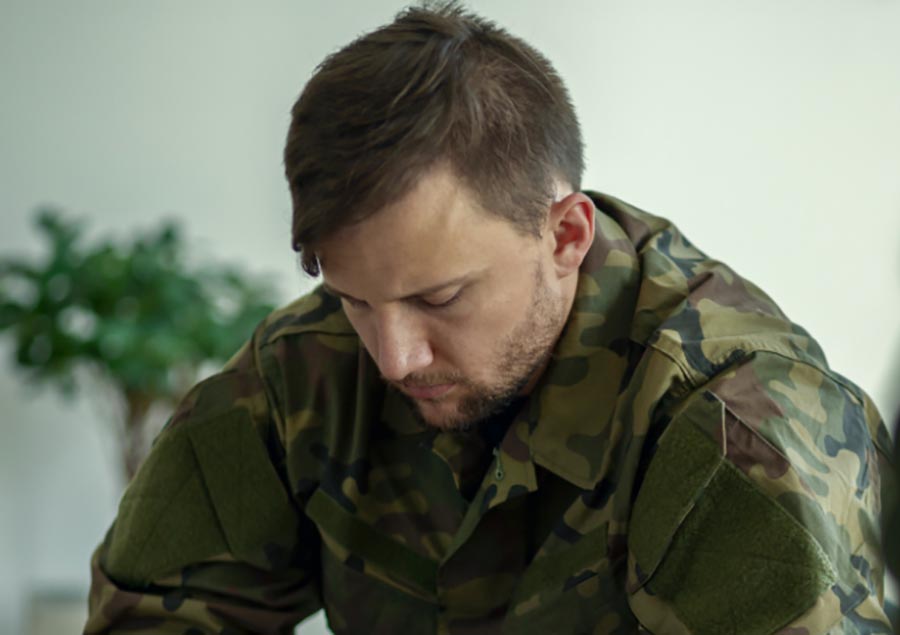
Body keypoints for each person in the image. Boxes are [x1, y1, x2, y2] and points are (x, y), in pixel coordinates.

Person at [84, 4, 895, 634]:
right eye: (356, 299)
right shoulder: (305, 371)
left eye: (440, 298)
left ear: (565, 235)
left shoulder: (735, 433)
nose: (395, 357)